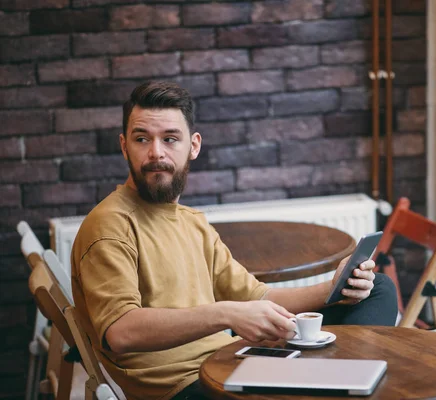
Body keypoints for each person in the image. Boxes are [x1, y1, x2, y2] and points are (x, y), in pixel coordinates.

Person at [71, 81, 398, 400]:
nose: (156, 152)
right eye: (142, 139)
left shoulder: (191, 223)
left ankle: (330, 384)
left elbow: (256, 295)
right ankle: (331, 384)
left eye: (170, 139)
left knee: (377, 289)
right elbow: (121, 332)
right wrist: (226, 314)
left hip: (231, 361)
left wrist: (334, 289)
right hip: (185, 388)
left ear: (193, 146)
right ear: (125, 146)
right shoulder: (110, 225)